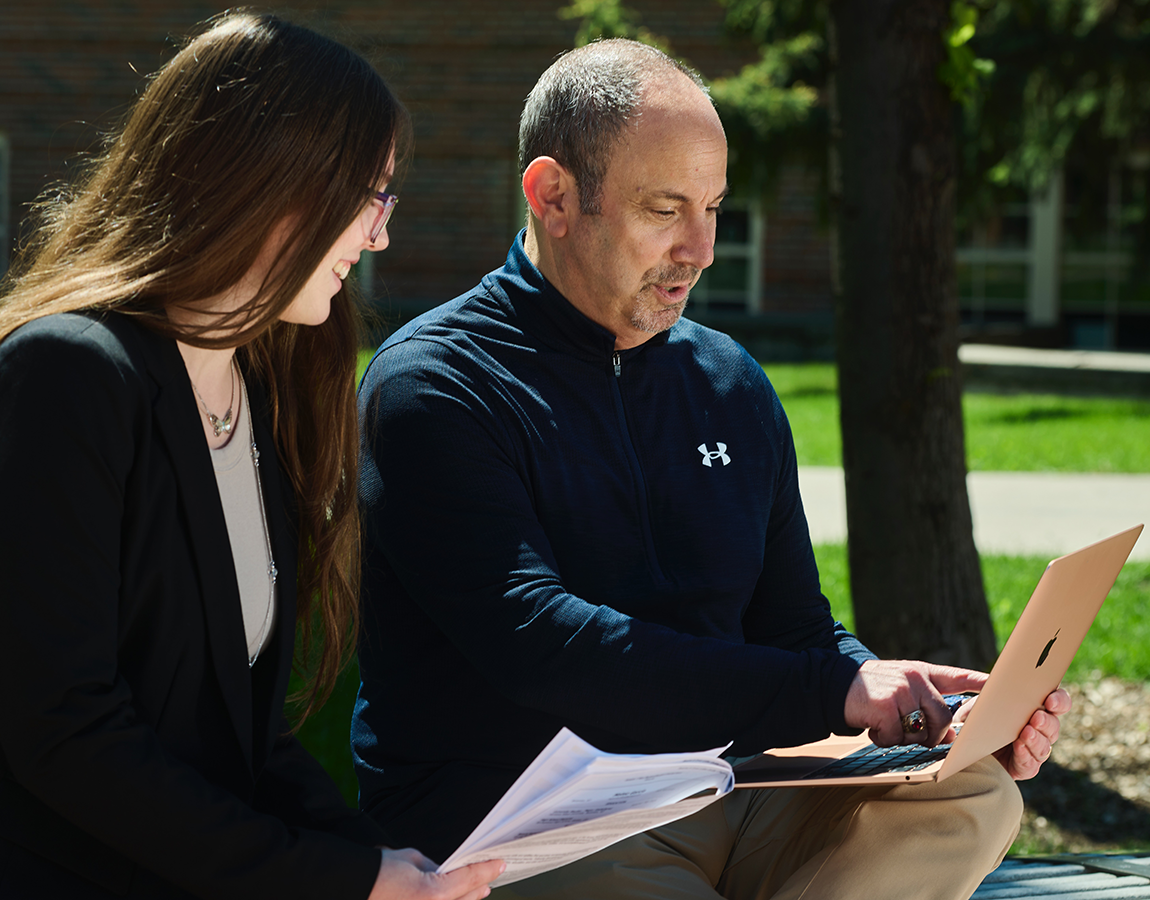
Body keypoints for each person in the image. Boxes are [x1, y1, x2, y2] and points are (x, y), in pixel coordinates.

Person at [352, 38, 1068, 899]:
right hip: (533, 820)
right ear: (554, 197)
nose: (703, 248)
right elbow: (552, 651)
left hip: (733, 790)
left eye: (716, 208)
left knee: (973, 796)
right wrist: (837, 689)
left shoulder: (727, 380)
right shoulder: (434, 384)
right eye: (665, 210)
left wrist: (918, 712)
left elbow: (795, 631)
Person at [0, 12, 503, 900]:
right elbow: (67, 734)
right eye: (372, 197)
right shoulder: (64, 377)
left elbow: (242, 741)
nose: (379, 237)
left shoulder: (261, 395)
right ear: (274, 182)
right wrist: (339, 878)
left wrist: (392, 867)